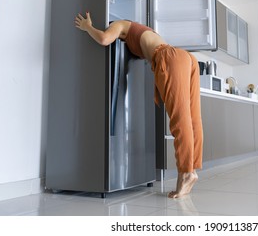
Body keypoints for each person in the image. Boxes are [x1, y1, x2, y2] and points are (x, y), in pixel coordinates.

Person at [74, 12, 203, 198]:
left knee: (180, 118)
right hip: (187, 58)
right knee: (193, 117)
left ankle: (186, 173)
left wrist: (87, 27)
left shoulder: (119, 24)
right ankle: (192, 170)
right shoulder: (144, 31)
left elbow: (103, 39)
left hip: (170, 58)